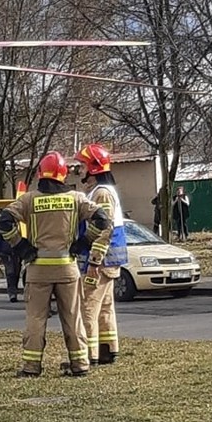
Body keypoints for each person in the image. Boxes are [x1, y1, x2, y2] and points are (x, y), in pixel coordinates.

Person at [0, 150, 112, 377]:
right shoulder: (76, 198)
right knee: (73, 317)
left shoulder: (29, 199)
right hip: (67, 268)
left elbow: (4, 221)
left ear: (41, 173)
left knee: (36, 318)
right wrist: (83, 243)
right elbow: (102, 219)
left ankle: (31, 367)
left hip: (38, 269)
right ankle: (80, 364)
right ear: (62, 174)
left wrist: (21, 247)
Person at [74, 143, 128, 366]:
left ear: (93, 169)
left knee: (88, 306)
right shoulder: (100, 191)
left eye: (82, 166)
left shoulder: (102, 194)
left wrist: (93, 262)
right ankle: (108, 350)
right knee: (105, 307)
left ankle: (89, 355)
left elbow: (104, 230)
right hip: (107, 260)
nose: (79, 170)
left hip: (100, 260)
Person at [0, 222, 24, 302]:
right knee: (10, 273)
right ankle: (12, 294)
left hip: (17, 254)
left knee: (16, 274)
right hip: (6, 254)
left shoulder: (19, 225)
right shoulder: (2, 226)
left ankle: (14, 292)